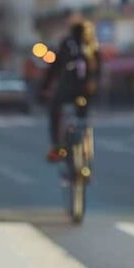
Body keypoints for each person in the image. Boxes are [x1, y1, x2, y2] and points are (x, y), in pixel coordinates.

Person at [41, 18, 101, 163]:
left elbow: (54, 68)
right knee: (83, 117)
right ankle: (85, 144)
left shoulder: (67, 43)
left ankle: (56, 146)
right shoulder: (92, 45)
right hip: (86, 90)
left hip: (67, 88)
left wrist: (44, 87)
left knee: (55, 109)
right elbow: (98, 68)